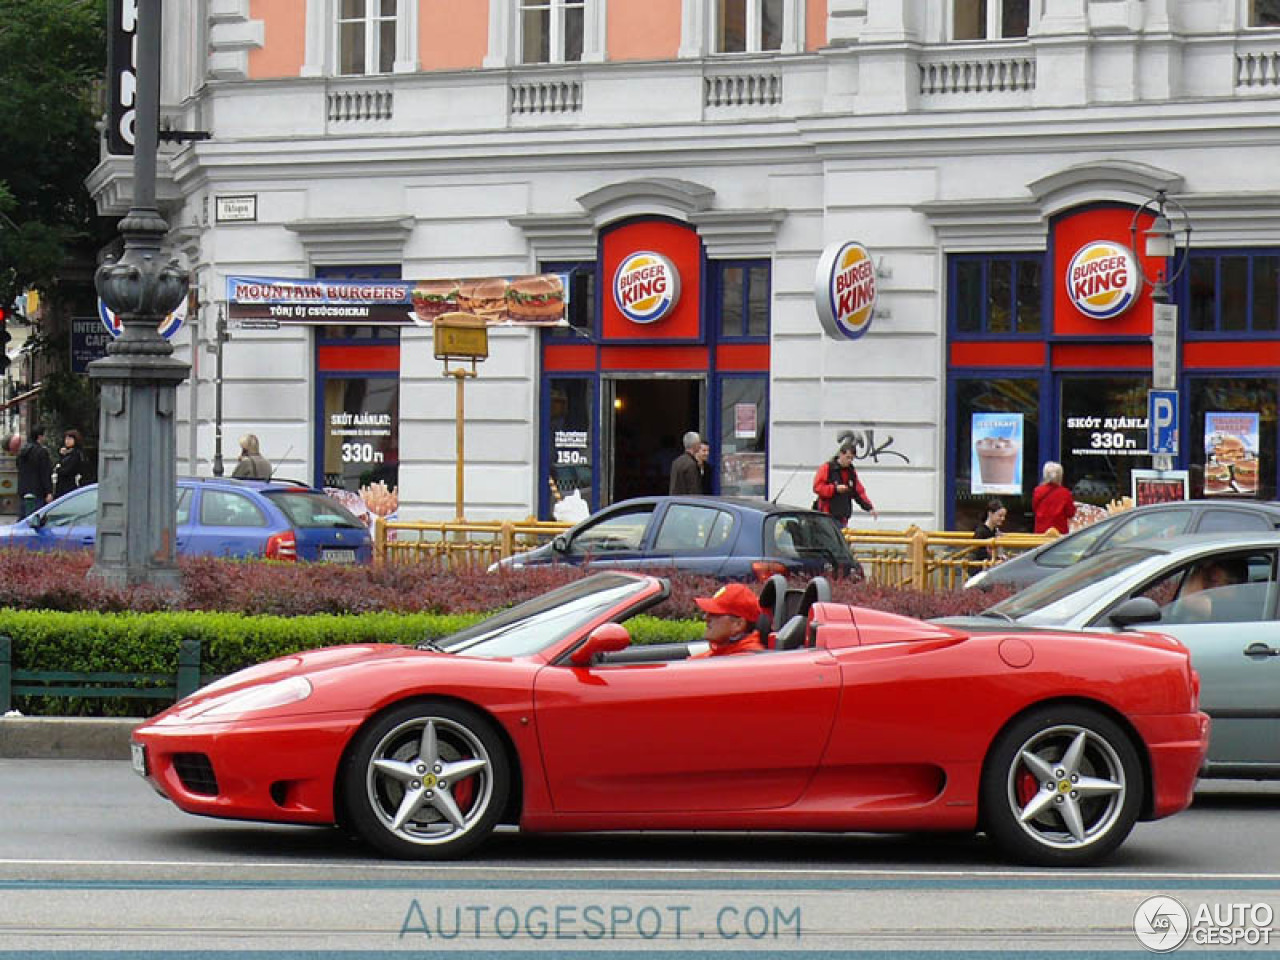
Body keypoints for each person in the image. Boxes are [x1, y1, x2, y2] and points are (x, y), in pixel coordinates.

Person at [812, 441, 877, 527]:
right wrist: (835, 489)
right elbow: (817, 487)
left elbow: (858, 492)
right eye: (848, 457)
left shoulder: (851, 472)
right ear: (840, 454)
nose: (849, 461)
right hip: (827, 515)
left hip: (842, 517)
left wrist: (869, 507)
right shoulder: (827, 468)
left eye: (852, 459)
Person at [691, 583, 765, 658]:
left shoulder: (747, 661)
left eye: (715, 613)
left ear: (738, 624)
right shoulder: (721, 653)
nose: (706, 617)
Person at [16, 425, 53, 518]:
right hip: (38, 491)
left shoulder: (22, 451)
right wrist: (49, 491)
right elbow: (45, 473)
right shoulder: (41, 452)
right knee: (36, 519)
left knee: (23, 518)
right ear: (40, 437)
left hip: (23, 490)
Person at [1032, 460, 1076, 535]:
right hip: (1060, 532)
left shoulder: (1038, 491)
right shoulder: (1065, 493)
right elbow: (1070, 513)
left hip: (1041, 531)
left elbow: (1034, 508)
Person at [52, 429, 88, 499]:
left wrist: (58, 469)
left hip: (70, 486)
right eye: (66, 439)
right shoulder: (66, 453)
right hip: (61, 486)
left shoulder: (76, 454)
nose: (67, 441)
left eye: (70, 439)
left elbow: (67, 470)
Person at [971, 498, 1007, 564]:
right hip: (980, 568)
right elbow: (978, 553)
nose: (1003, 519)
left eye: (1004, 516)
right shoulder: (981, 531)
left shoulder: (995, 531)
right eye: (1000, 516)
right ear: (990, 514)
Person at [668, 430, 702, 495]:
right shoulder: (691, 464)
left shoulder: (676, 461)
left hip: (675, 501)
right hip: (687, 502)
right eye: (699, 443)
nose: (700, 446)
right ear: (694, 445)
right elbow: (694, 489)